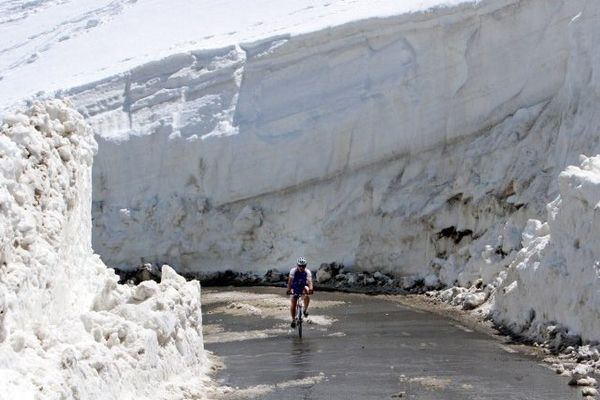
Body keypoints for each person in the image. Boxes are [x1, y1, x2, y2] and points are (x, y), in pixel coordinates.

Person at [286, 257, 314, 328]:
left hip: (303, 286)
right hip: (294, 287)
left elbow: (310, 282)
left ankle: (305, 310)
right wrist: (289, 290)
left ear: (305, 266)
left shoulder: (307, 272)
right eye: (300, 266)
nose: (301, 267)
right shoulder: (293, 271)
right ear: (297, 265)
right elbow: (290, 281)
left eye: (303, 266)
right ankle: (293, 320)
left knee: (307, 294)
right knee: (293, 301)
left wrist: (311, 289)